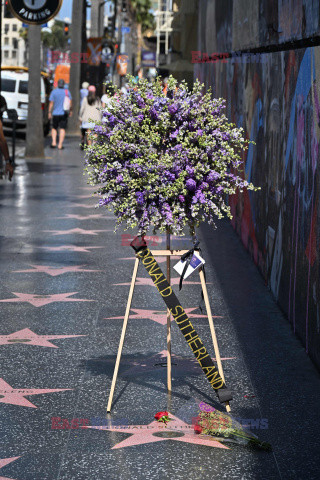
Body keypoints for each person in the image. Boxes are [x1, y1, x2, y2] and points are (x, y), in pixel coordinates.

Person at [48, 79, 72, 150]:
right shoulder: (67, 92)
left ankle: (54, 142)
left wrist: (49, 112)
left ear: (58, 84)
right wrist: (70, 110)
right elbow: (70, 102)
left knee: (54, 128)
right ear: (64, 84)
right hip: (64, 113)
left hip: (55, 113)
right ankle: (60, 145)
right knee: (62, 128)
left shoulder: (54, 92)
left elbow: (51, 103)